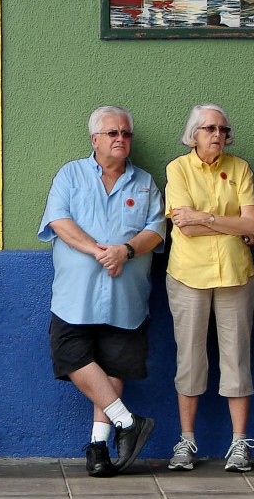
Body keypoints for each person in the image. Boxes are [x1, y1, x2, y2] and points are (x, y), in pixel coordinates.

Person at [37, 105, 164, 477]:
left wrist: (124, 251)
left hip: (125, 295)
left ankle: (98, 449)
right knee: (70, 356)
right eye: (113, 133)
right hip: (76, 293)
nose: (121, 138)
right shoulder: (71, 175)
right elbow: (59, 220)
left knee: (113, 367)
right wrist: (99, 251)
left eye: (126, 133)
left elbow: (157, 229)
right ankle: (128, 421)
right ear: (95, 139)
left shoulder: (144, 182)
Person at [164, 104, 254, 473]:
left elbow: (252, 224)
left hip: (236, 274)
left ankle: (239, 443)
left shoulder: (239, 168)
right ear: (194, 134)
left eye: (222, 129)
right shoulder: (178, 168)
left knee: (237, 357)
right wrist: (232, 224)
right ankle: (186, 440)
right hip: (189, 274)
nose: (217, 135)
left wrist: (206, 218)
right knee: (190, 357)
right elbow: (183, 227)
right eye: (209, 129)